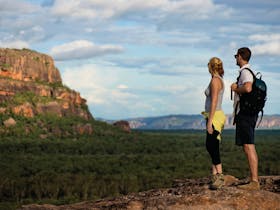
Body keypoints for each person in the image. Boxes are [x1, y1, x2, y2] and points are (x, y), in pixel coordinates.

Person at [231, 47, 260, 190]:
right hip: (247, 114)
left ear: (241, 56)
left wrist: (236, 88)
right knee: (247, 145)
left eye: (236, 55)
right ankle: (253, 178)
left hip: (246, 115)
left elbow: (248, 88)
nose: (235, 58)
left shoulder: (245, 73)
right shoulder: (248, 72)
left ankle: (254, 181)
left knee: (249, 145)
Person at [202, 57, 226, 190]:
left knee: (211, 145)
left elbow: (214, 101)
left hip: (215, 116)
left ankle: (220, 176)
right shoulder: (218, 79)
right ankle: (215, 175)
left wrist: (210, 121)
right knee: (212, 144)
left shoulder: (215, 81)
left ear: (210, 67)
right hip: (216, 115)